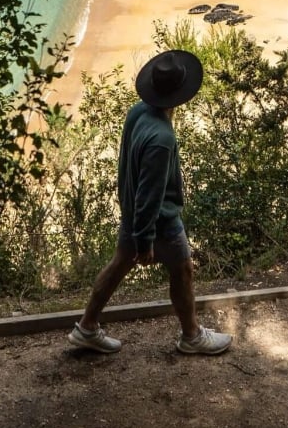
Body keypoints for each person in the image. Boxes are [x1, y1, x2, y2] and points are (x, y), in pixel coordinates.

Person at [68, 49, 233, 356]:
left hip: (133, 213)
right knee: (182, 269)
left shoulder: (137, 112)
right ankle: (192, 336)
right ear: (180, 95)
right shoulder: (162, 138)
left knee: (118, 265)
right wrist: (145, 240)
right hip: (159, 221)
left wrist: (134, 225)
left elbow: (132, 172)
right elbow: (151, 192)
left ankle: (87, 327)